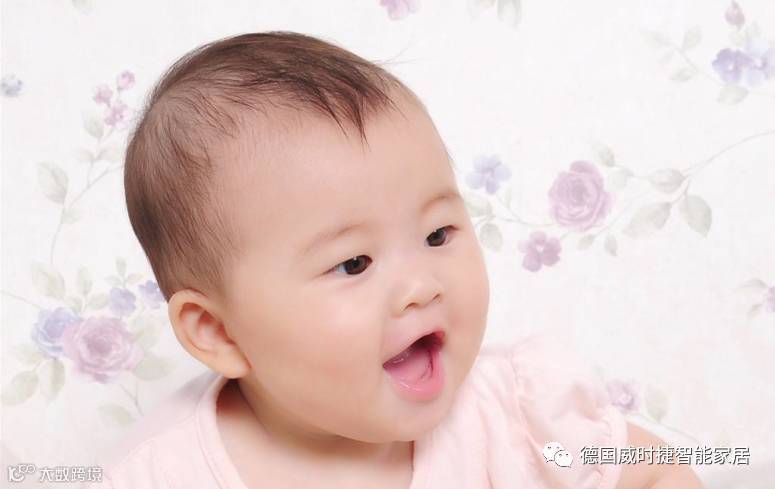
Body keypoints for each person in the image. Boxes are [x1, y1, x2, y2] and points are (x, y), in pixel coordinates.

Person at [88, 31, 703, 488]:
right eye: (354, 264)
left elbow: (659, 473)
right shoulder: (157, 475)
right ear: (219, 331)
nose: (420, 285)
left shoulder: (516, 418)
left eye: (437, 234)